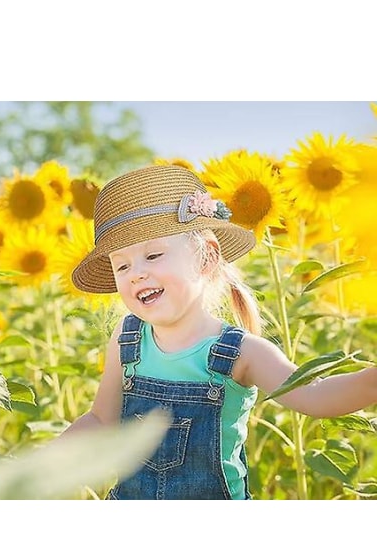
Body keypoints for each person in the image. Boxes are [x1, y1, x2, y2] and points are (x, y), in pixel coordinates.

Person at [64, 164, 377, 500]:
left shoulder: (241, 352)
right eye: (122, 265)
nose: (136, 274)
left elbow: (316, 396)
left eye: (153, 255)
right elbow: (101, 419)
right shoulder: (127, 340)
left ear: (206, 258)